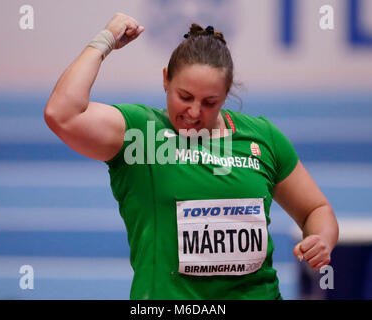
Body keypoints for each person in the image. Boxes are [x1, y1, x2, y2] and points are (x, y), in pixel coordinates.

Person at [44, 13, 339, 300]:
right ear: (165, 80)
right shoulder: (140, 135)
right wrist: (105, 40)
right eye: (184, 97)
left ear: (226, 95)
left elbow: (316, 209)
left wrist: (320, 240)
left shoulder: (263, 137)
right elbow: (62, 114)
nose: (194, 112)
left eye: (210, 102)